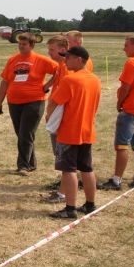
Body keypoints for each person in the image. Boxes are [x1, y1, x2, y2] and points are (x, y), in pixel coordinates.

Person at [45, 46, 101, 219]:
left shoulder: (70, 80)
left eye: (68, 57)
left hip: (69, 132)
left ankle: (70, 208)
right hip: (87, 131)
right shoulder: (95, 80)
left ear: (79, 60)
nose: (65, 60)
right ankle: (90, 204)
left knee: (68, 170)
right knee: (86, 168)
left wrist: (48, 117)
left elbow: (55, 102)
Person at [98, 36, 134, 190]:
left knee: (122, 146)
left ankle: (116, 180)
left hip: (131, 110)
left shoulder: (133, 62)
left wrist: (119, 103)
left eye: (126, 46)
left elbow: (125, 87)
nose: (124, 49)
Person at [0, 32, 58, 174]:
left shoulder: (40, 59)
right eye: (19, 44)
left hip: (34, 101)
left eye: (24, 44)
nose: (21, 46)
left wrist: (47, 86)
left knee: (25, 134)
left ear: (31, 45)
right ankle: (31, 164)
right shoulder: (12, 60)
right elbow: (5, 81)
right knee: (22, 134)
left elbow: (60, 70)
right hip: (14, 102)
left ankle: (23, 166)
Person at [43, 35, 70, 203]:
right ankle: (64, 185)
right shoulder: (61, 65)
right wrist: (47, 86)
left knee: (63, 154)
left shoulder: (66, 67)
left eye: (51, 50)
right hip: (57, 113)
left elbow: (63, 96)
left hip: (60, 115)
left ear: (62, 49)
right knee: (59, 153)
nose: (49, 53)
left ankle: (64, 191)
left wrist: (50, 115)